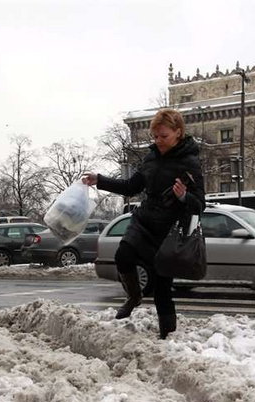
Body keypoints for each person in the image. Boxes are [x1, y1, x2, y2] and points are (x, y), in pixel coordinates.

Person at [82, 108, 205, 339]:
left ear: (178, 132)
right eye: (155, 136)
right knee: (123, 256)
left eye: (163, 136)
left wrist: (183, 197)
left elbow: (200, 204)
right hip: (144, 220)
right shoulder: (151, 158)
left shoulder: (190, 162)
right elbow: (131, 187)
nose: (158, 141)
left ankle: (167, 336)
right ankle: (134, 296)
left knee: (161, 288)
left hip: (167, 231)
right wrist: (100, 180)